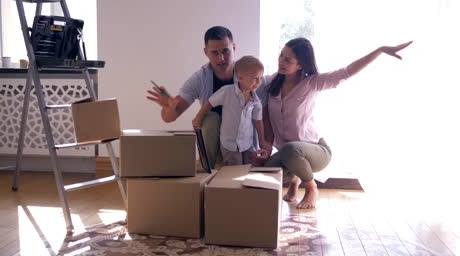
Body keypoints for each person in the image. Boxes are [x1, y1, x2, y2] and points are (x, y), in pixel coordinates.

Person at [250, 37, 413, 209]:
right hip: (289, 153)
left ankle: (311, 188)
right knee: (265, 176)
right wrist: (266, 146)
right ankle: (295, 181)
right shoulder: (271, 82)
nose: (281, 61)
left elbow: (346, 72)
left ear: (300, 65)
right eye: (281, 55)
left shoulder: (312, 83)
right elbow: (253, 91)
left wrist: (379, 50)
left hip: (316, 152)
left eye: (288, 59)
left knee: (291, 149)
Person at [147, 26, 268, 169]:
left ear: (234, 48)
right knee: (211, 118)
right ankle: (207, 168)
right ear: (206, 52)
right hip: (219, 144)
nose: (221, 58)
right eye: (214, 53)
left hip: (245, 146)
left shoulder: (253, 77)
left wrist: (264, 144)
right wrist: (169, 106)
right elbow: (169, 118)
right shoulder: (199, 79)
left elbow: (262, 116)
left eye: (225, 51)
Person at [192, 56, 270, 165]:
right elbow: (209, 103)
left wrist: (262, 140)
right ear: (240, 77)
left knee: (248, 168)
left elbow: (258, 121)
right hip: (230, 144)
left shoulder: (256, 100)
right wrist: (198, 117)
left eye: (260, 78)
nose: (259, 82)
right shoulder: (227, 92)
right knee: (234, 170)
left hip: (247, 143)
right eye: (255, 78)